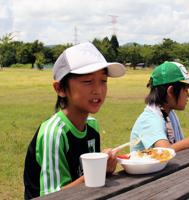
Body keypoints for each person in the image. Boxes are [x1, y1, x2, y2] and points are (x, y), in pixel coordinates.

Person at [23, 42, 126, 199]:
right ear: (60, 89)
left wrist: (105, 168)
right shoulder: (54, 133)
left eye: (103, 81)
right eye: (87, 81)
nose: (98, 90)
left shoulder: (91, 125)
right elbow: (53, 196)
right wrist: (97, 171)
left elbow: (89, 181)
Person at [130, 61, 189, 152]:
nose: (188, 95)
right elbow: (165, 151)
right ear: (170, 91)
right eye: (185, 90)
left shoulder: (167, 112)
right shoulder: (150, 119)